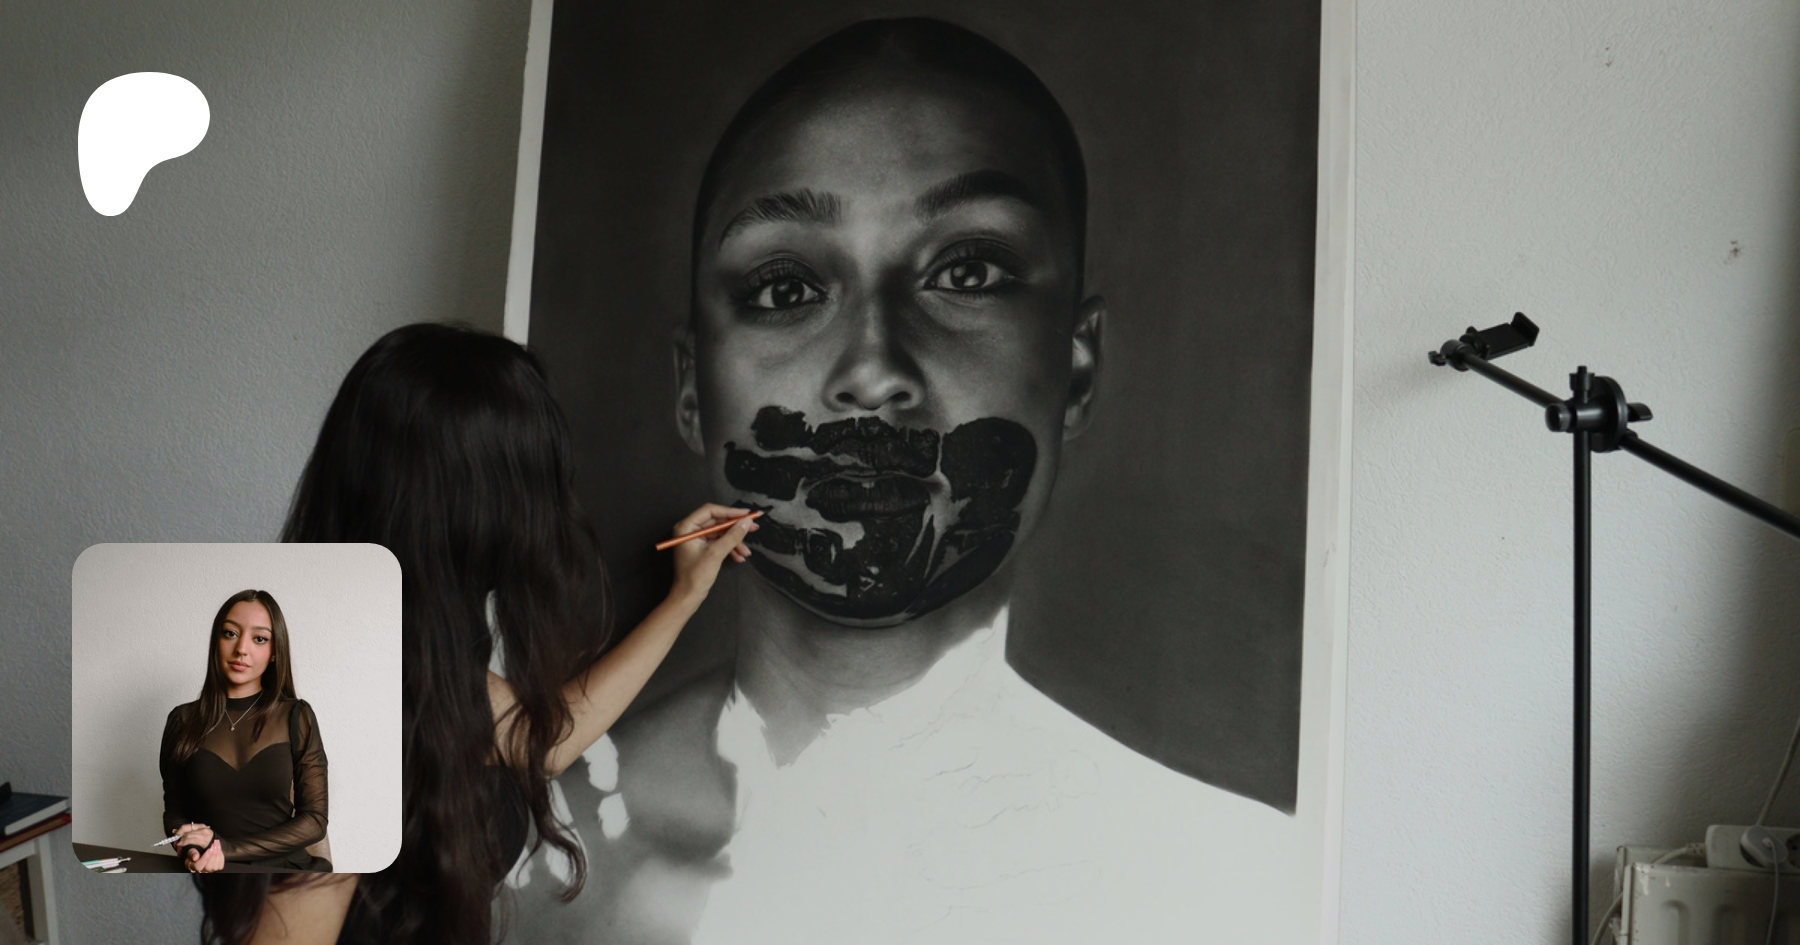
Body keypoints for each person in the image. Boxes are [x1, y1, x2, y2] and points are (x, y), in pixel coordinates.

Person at [503, 17, 1296, 945]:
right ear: (692, 389)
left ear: (1075, 369)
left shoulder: (1232, 879)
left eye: (968, 271)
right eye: (787, 289)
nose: (874, 370)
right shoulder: (523, 874)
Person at [191, 323, 755, 944]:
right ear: (480, 505)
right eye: (535, 478)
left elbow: (541, 742)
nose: (553, 506)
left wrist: (683, 598)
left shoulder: (413, 648)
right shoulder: (332, 711)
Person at [161, 589, 331, 873]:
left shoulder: (296, 716)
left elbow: (315, 820)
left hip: (284, 871)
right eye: (230, 633)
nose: (241, 648)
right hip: (210, 870)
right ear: (216, 641)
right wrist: (192, 849)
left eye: (259, 638)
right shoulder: (182, 720)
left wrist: (226, 848)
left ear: (274, 652)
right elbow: (175, 811)